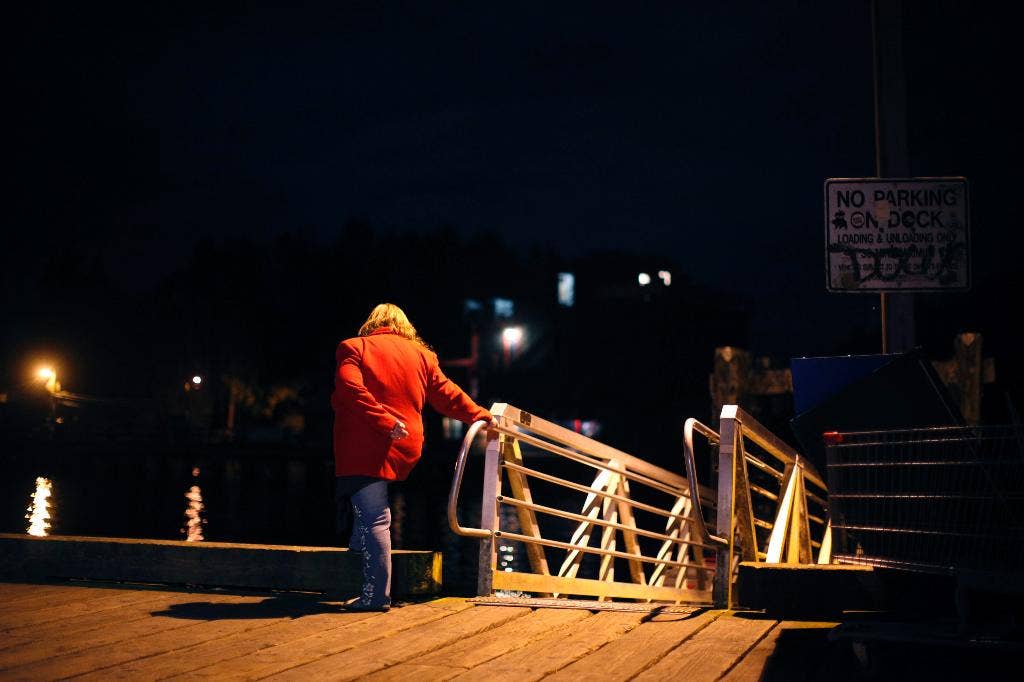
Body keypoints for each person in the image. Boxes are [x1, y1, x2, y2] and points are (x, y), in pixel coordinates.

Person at [331, 302, 494, 611]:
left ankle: (375, 596)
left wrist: (384, 422)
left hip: (370, 442)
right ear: (403, 326)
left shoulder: (354, 347)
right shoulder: (422, 356)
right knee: (365, 513)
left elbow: (350, 388)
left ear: (372, 323)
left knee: (375, 518)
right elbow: (447, 395)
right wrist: (480, 415)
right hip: (406, 444)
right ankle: (362, 560)